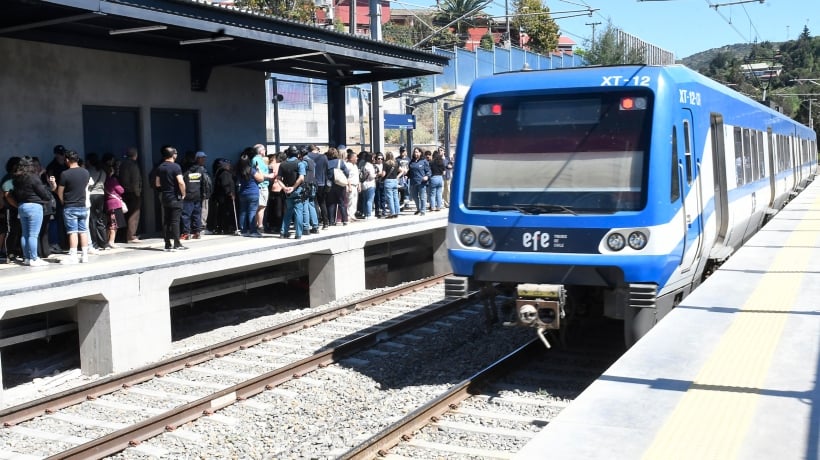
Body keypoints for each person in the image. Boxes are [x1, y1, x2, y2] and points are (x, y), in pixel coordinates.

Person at [12, 157, 52, 267]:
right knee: (33, 234)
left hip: (22, 206)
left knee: (24, 234)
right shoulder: (33, 177)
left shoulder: (17, 178)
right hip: (34, 206)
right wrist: (48, 195)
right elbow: (43, 193)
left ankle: (26, 258)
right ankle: (34, 258)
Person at [56, 150, 91, 264]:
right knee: (83, 231)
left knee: (72, 232)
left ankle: (73, 255)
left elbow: (60, 191)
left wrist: (63, 202)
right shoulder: (86, 172)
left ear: (67, 160)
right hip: (82, 205)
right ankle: (85, 255)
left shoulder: (65, 174)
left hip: (70, 206)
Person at [155, 145, 188, 251]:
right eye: (176, 153)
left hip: (165, 196)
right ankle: (177, 244)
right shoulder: (176, 167)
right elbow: (180, 182)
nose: (177, 155)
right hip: (175, 197)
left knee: (166, 221)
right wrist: (183, 193)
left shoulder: (160, 167)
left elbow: (157, 183)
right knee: (175, 221)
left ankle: (167, 244)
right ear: (172, 155)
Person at [276, 146, 306, 239]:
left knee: (288, 212)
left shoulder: (282, 164)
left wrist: (285, 188)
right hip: (297, 191)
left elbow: (278, 179)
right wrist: (293, 187)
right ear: (297, 154)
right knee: (298, 212)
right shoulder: (300, 164)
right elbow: (301, 178)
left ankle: (283, 232)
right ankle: (298, 234)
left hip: (287, 191)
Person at [236, 148, 264, 237]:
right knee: (252, 211)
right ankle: (253, 231)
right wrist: (259, 169)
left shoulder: (239, 171)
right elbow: (261, 179)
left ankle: (243, 230)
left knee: (243, 211)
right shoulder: (252, 170)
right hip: (253, 193)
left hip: (243, 193)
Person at [180, 151, 207, 240]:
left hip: (187, 195)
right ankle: (197, 232)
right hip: (197, 195)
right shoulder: (200, 169)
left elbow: (181, 181)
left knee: (186, 215)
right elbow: (204, 183)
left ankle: (186, 233)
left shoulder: (184, 169)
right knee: (197, 214)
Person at [118, 147, 142, 243]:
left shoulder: (122, 164)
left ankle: (124, 235)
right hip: (133, 193)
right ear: (135, 155)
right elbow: (135, 181)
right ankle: (131, 235)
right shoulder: (133, 165)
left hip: (124, 192)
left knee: (126, 214)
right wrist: (138, 193)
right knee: (134, 214)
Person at [85, 153, 107, 250]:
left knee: (92, 220)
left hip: (91, 195)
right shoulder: (103, 172)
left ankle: (94, 243)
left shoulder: (88, 172)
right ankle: (104, 242)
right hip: (101, 195)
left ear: (89, 161)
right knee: (100, 218)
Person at [251, 144, 275, 233]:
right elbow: (258, 172)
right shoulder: (256, 160)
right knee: (262, 206)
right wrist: (269, 175)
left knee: (260, 206)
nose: (265, 151)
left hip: (263, 185)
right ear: (261, 151)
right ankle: (260, 225)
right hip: (262, 185)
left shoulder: (259, 160)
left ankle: (258, 225)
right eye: (264, 149)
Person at [209, 158, 236, 234]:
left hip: (221, 196)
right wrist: (230, 193)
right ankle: (225, 227)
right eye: (228, 164)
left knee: (221, 212)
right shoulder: (225, 173)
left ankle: (222, 227)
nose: (229, 166)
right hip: (225, 197)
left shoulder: (219, 172)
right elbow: (225, 184)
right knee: (225, 212)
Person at [307, 144, 330, 229]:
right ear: (316, 149)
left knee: (313, 203)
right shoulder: (323, 157)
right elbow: (327, 169)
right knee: (322, 203)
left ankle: (315, 223)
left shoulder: (307, 157)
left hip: (311, 182)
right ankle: (325, 223)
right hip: (322, 183)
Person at [103, 163, 126, 249]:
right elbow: (121, 190)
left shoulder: (103, 181)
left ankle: (106, 240)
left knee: (109, 223)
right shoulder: (113, 180)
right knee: (114, 224)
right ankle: (111, 242)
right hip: (115, 204)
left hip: (107, 204)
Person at [325, 147, 349, 226]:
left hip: (330, 185)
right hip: (340, 185)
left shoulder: (326, 162)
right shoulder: (340, 162)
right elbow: (347, 172)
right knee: (342, 202)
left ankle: (331, 221)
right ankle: (344, 220)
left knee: (331, 203)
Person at [407, 147, 431, 215]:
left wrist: (427, 176)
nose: (415, 153)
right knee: (414, 196)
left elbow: (428, 171)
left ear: (420, 153)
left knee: (422, 197)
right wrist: (407, 174)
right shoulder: (411, 162)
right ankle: (418, 208)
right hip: (413, 182)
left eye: (417, 152)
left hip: (421, 182)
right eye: (415, 152)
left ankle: (423, 210)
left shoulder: (424, 161)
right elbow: (410, 171)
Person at [382, 151, 402, 219]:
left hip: (388, 182)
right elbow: (402, 171)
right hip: (395, 181)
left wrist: (380, 176)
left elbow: (383, 174)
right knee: (395, 197)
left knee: (390, 198)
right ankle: (397, 212)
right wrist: (397, 177)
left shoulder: (385, 164)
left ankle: (392, 212)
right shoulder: (396, 163)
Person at [196, 151, 213, 233]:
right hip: (202, 193)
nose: (203, 159)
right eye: (202, 158)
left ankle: (201, 227)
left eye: (204, 157)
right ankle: (202, 228)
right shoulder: (198, 169)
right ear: (197, 159)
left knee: (204, 210)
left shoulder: (203, 168)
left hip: (205, 192)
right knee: (203, 210)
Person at [359, 152, 376, 220]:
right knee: (369, 200)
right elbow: (371, 176)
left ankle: (365, 213)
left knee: (365, 200)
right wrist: (376, 175)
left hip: (364, 184)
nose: (374, 159)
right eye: (374, 158)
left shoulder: (364, 165)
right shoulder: (370, 166)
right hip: (370, 184)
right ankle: (369, 214)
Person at [345, 150, 360, 223]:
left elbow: (357, 176)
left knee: (354, 201)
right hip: (350, 185)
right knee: (349, 201)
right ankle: (348, 216)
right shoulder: (348, 165)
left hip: (355, 185)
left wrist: (359, 185)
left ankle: (352, 215)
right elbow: (346, 177)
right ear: (351, 158)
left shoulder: (355, 166)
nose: (357, 158)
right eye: (355, 157)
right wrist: (349, 186)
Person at [373, 152, 386, 218]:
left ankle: (383, 210)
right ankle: (377, 211)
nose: (380, 160)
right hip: (377, 182)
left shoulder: (384, 165)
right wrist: (379, 174)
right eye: (378, 158)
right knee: (377, 198)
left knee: (383, 197)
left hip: (383, 182)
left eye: (381, 159)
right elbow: (373, 175)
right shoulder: (374, 166)